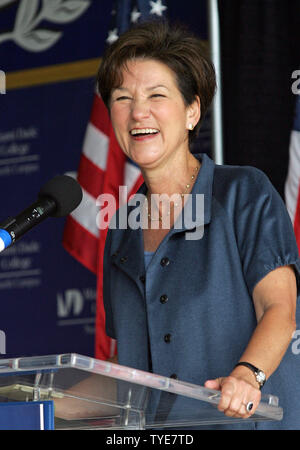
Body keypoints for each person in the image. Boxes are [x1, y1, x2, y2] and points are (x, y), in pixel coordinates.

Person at [97, 20, 300, 429]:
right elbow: (132, 362)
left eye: (157, 95)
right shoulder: (121, 227)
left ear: (192, 111)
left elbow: (279, 308)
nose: (138, 112)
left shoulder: (243, 192)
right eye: (123, 98)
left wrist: (247, 374)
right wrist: (40, 397)